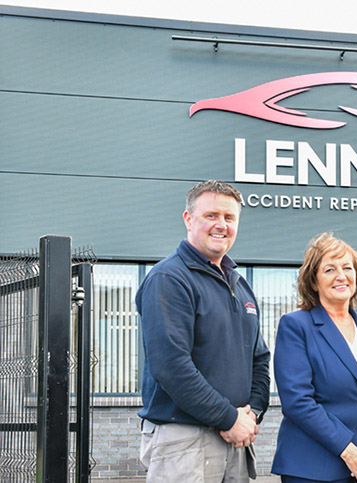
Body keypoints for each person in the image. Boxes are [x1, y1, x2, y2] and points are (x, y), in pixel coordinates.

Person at [137, 180, 270, 482]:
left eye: (229, 217)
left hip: (236, 437)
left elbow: (259, 359)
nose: (221, 225)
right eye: (211, 215)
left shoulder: (239, 284)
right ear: (188, 219)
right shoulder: (169, 278)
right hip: (184, 440)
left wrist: (252, 414)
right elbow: (171, 366)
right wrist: (229, 417)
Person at [272, 233, 357, 482]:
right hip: (313, 470)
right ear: (314, 282)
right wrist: (349, 452)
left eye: (347, 268)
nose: (341, 276)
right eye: (329, 269)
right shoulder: (296, 326)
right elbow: (298, 402)